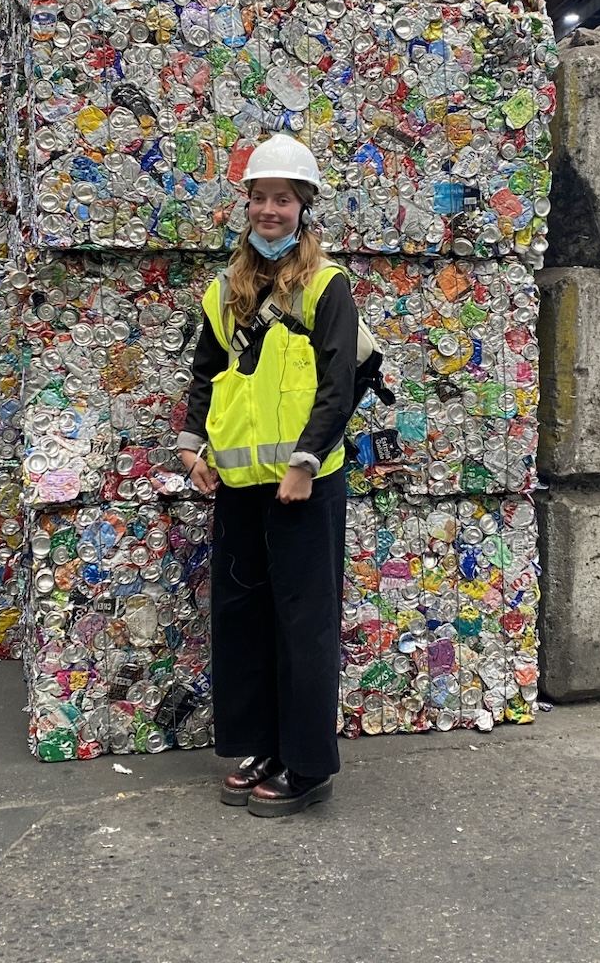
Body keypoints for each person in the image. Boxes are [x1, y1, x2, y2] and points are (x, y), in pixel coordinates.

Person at [176, 133, 356, 818]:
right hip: (240, 487)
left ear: (304, 207)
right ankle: (259, 744)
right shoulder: (226, 290)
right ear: (246, 205)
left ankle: (306, 765)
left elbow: (337, 387)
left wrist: (306, 463)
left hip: (304, 488)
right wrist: (192, 450)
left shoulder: (325, 286)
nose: (269, 210)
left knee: (302, 623)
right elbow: (205, 375)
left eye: (282, 198)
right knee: (244, 617)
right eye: (259, 198)